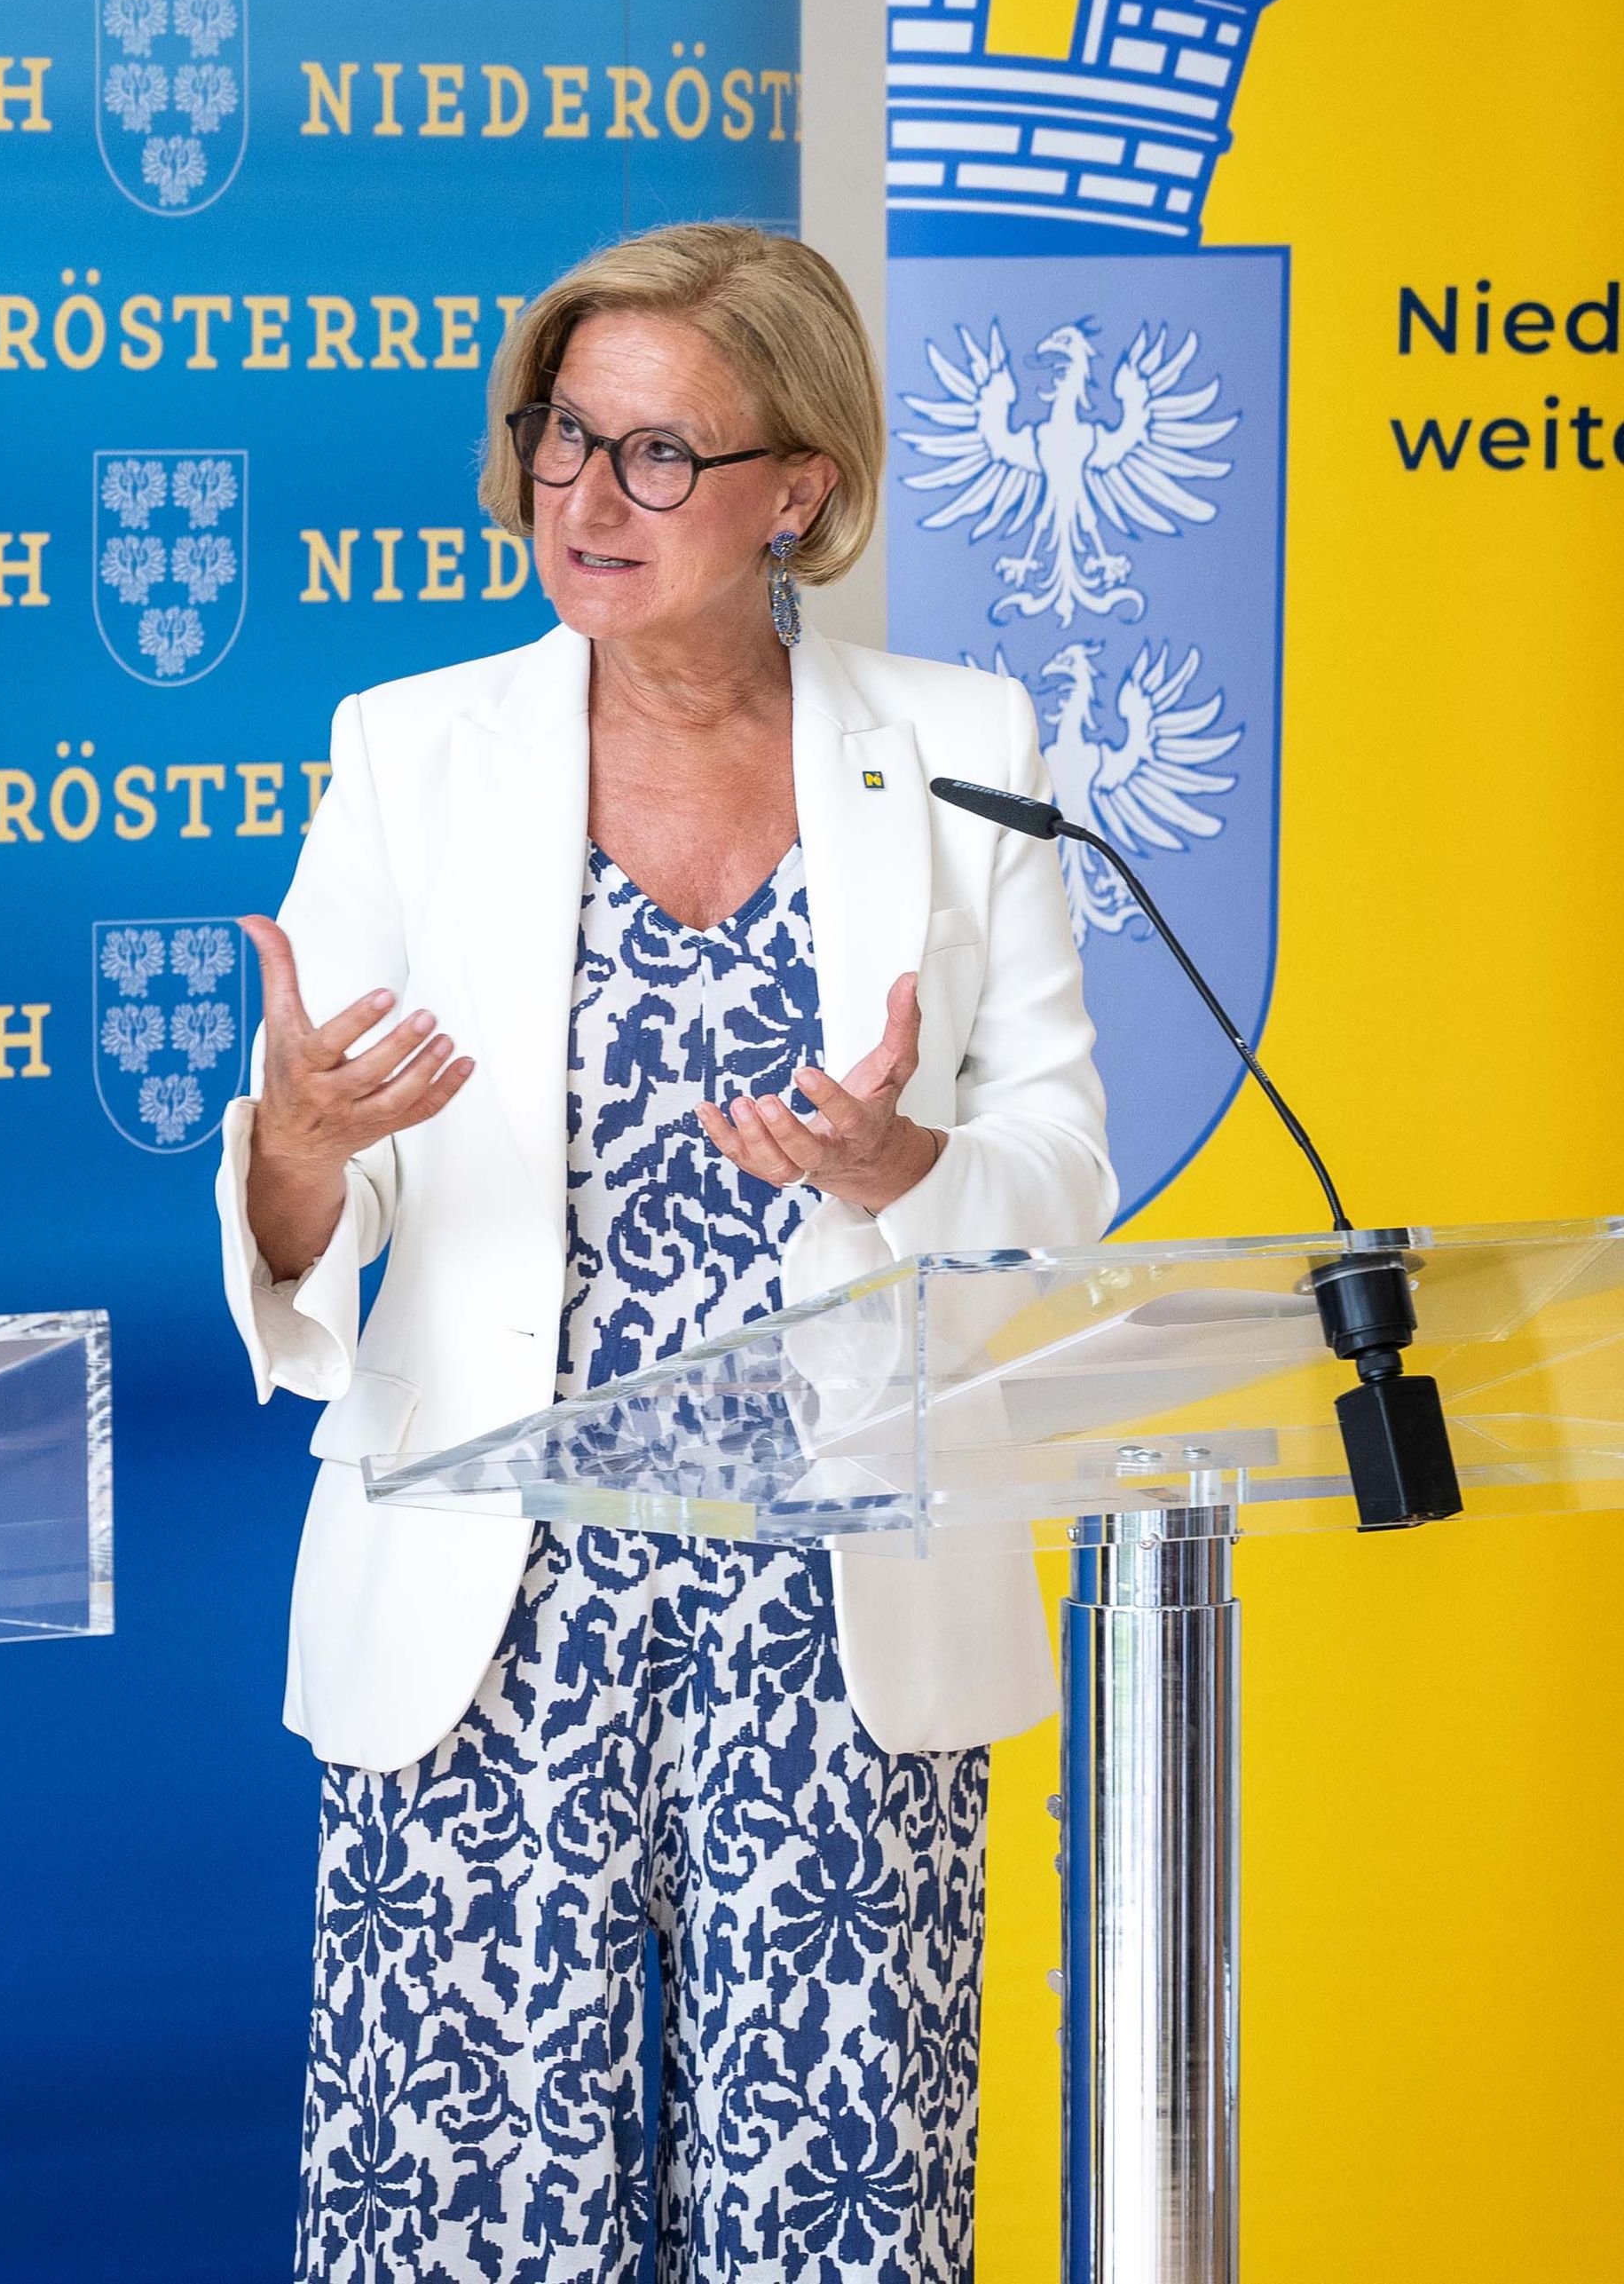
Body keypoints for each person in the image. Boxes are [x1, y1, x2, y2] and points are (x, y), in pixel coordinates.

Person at [219, 220, 1114, 2281]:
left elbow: (1056, 1168)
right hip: (491, 1593)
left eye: (652, 456)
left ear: (794, 485)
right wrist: (293, 1143)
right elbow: (307, 1214)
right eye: (558, 441)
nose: (582, 500)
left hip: (837, 1600)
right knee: (464, 2219)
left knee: (839, 2212)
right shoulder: (410, 748)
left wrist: (901, 1160)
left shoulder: (963, 748)